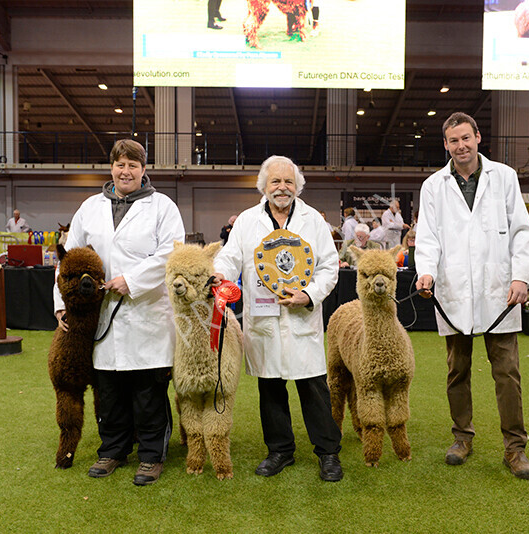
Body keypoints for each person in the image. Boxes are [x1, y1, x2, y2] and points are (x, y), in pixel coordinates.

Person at [53, 139, 185, 487]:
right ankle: (112, 450)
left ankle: (151, 456)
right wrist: (59, 304)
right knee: (109, 390)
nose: (126, 171)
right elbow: (68, 258)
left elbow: (170, 255)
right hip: (100, 316)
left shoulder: (163, 207)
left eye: (133, 165)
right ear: (111, 167)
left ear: (144, 170)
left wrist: (132, 280)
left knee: (147, 392)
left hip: (147, 312)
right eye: (120, 164)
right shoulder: (89, 208)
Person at [415, 112, 529, 480]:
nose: (461, 146)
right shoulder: (433, 186)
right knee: (457, 371)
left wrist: (520, 277)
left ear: (478, 137)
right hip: (453, 291)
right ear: (446, 144)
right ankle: (462, 438)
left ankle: (515, 448)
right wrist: (426, 272)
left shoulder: (505, 177)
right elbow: (428, 237)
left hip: (499, 290)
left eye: (466, 138)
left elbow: (521, 231)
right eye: (453, 141)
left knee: (507, 373)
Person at [212, 155, 343, 482]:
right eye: (275, 182)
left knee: (313, 387)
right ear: (264, 186)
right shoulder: (246, 221)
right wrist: (218, 275)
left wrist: (309, 295)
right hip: (264, 318)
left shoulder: (313, 220)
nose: (282, 188)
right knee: (270, 388)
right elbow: (230, 257)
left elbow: (329, 267)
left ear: (297, 186)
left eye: (288, 182)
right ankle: (280, 450)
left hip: (301, 316)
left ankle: (328, 453)